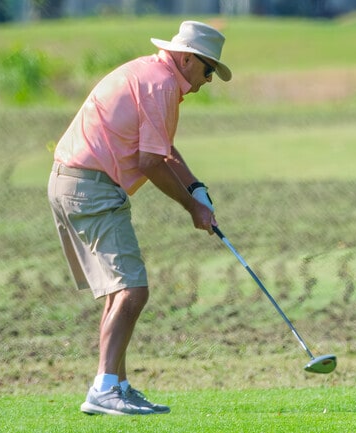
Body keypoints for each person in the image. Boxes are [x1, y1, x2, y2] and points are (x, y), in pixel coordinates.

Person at [47, 21, 231, 416]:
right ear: (187, 59)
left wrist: (196, 187)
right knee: (133, 290)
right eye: (209, 69)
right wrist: (192, 208)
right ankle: (104, 389)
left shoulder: (151, 73)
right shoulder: (162, 83)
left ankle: (118, 386)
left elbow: (160, 147)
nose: (210, 79)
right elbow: (150, 162)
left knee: (120, 291)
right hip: (90, 186)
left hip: (73, 182)